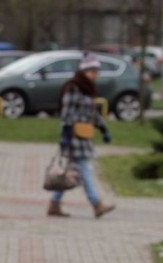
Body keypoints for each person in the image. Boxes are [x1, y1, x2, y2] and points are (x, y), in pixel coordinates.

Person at [48, 52, 116, 218]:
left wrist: (103, 128)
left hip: (84, 135)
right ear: (83, 72)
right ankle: (96, 204)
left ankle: (54, 204)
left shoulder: (87, 90)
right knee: (85, 169)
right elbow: (66, 113)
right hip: (73, 136)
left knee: (69, 171)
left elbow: (92, 113)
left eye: (96, 72)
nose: (94, 75)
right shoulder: (73, 88)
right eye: (91, 71)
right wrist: (65, 134)